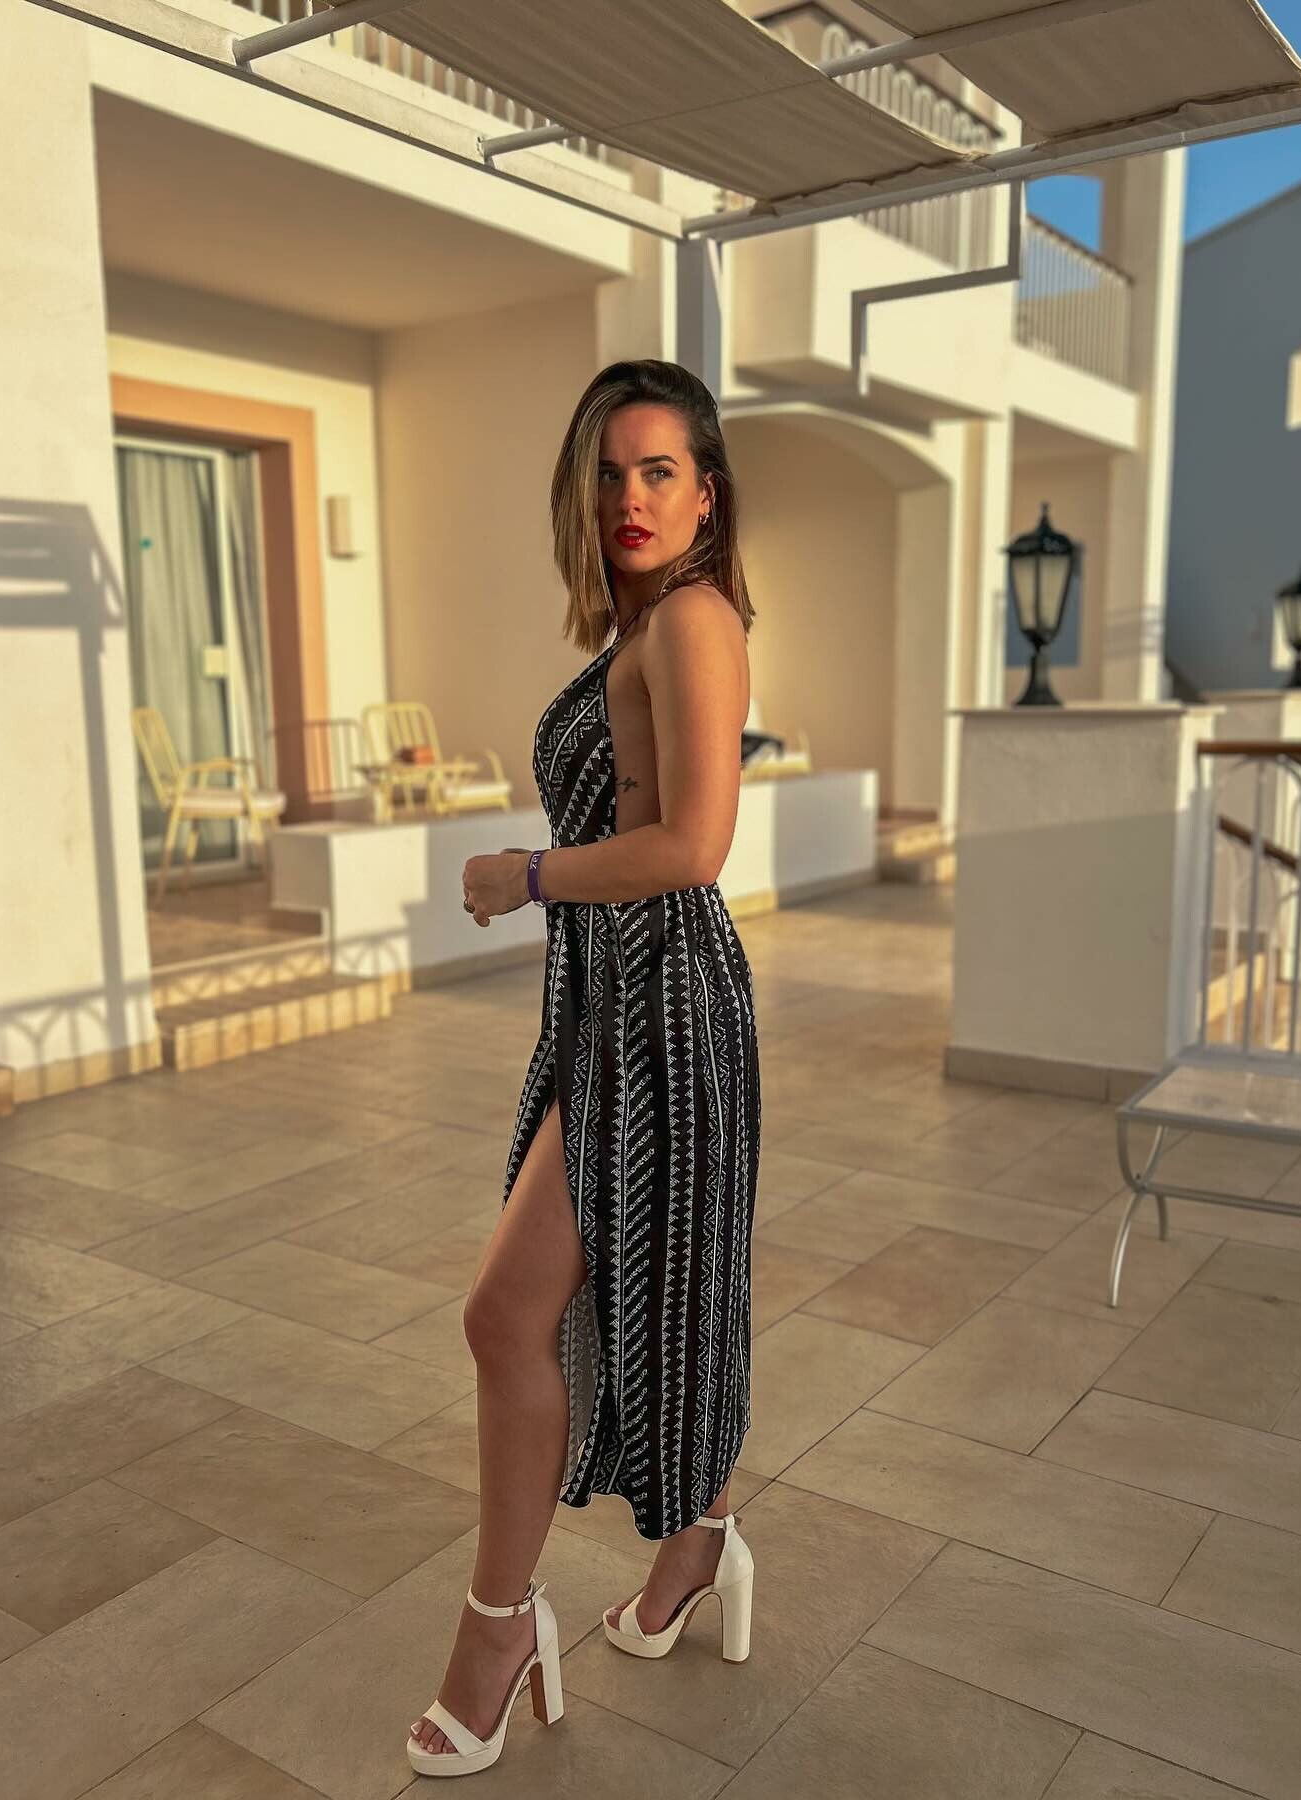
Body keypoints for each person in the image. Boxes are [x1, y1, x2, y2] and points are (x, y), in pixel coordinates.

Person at [408, 359, 761, 1776]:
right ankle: (699, 1545)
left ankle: (498, 1630)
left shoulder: (693, 620)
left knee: (515, 1315)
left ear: (706, 495)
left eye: (659, 470)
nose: (631, 496)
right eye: (609, 472)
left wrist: (529, 872)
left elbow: (694, 846)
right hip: (613, 1005)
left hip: (665, 1005)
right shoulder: (638, 626)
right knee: (659, 1294)